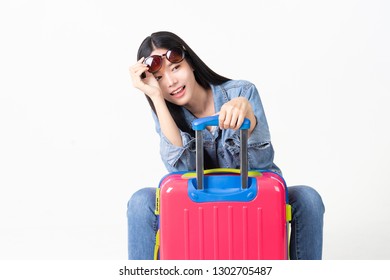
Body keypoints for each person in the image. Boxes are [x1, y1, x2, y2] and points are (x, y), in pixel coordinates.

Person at [127, 31, 325, 260]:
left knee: (308, 198)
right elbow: (182, 174)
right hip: (200, 209)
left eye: (175, 68)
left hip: (251, 204)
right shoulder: (165, 112)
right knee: (141, 200)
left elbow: (260, 165)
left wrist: (246, 112)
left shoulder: (241, 92)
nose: (171, 83)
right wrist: (155, 97)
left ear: (190, 63)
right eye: (159, 78)